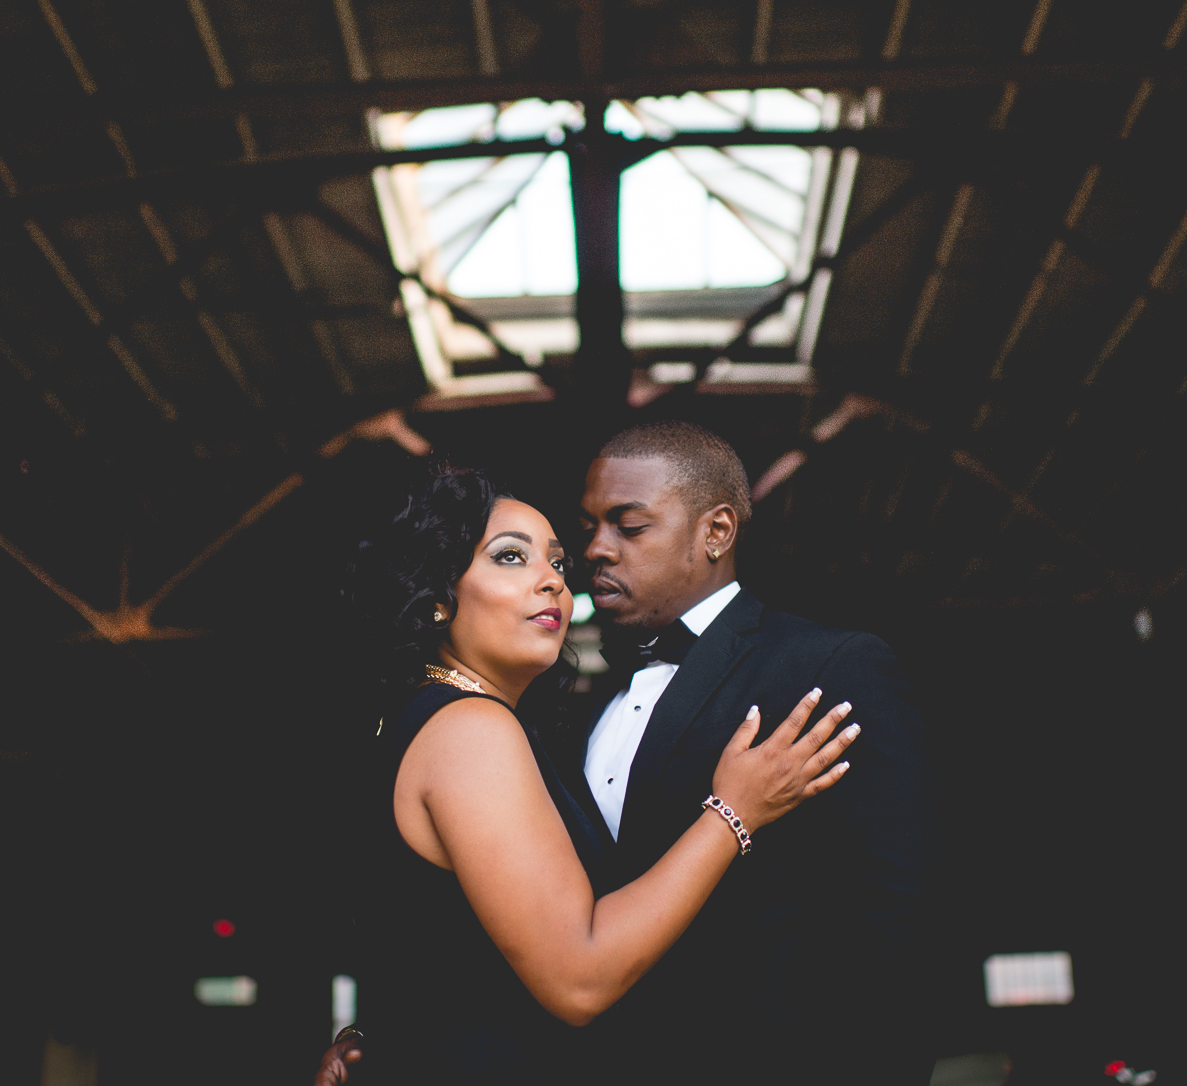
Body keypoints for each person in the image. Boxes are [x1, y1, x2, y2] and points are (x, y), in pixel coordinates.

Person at [318, 462, 859, 1085]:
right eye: (511, 558)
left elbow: (413, 942)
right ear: (439, 596)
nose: (551, 581)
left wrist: (367, 1035)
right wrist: (735, 810)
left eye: (555, 563)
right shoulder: (471, 732)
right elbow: (579, 979)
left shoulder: (421, 723)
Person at [570, 420, 933, 1084]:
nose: (595, 548)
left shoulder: (828, 665)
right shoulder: (584, 708)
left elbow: (893, 917)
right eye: (591, 525)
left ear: (716, 532)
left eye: (628, 525)